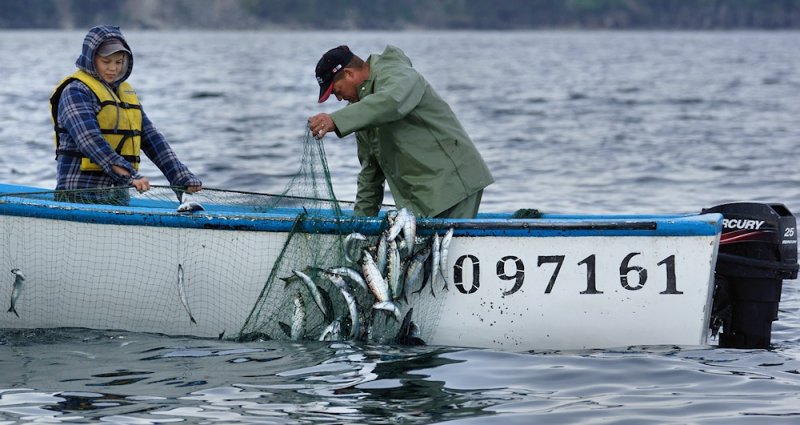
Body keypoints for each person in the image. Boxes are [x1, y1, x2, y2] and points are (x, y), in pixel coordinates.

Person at [308, 45, 493, 219]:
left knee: (444, 251)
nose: (339, 99)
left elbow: (392, 102)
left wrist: (336, 120)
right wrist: (359, 225)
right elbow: (370, 174)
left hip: (454, 185)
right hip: (422, 198)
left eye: (336, 91)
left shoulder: (395, 73)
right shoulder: (360, 110)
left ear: (349, 73)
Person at [50, 25, 201, 201]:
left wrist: (180, 176)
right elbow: (89, 140)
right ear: (90, 59)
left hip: (117, 195)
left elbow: (152, 138)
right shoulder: (75, 91)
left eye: (118, 62)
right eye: (106, 62)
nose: (113, 68)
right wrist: (130, 176)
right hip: (79, 194)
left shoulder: (125, 94)